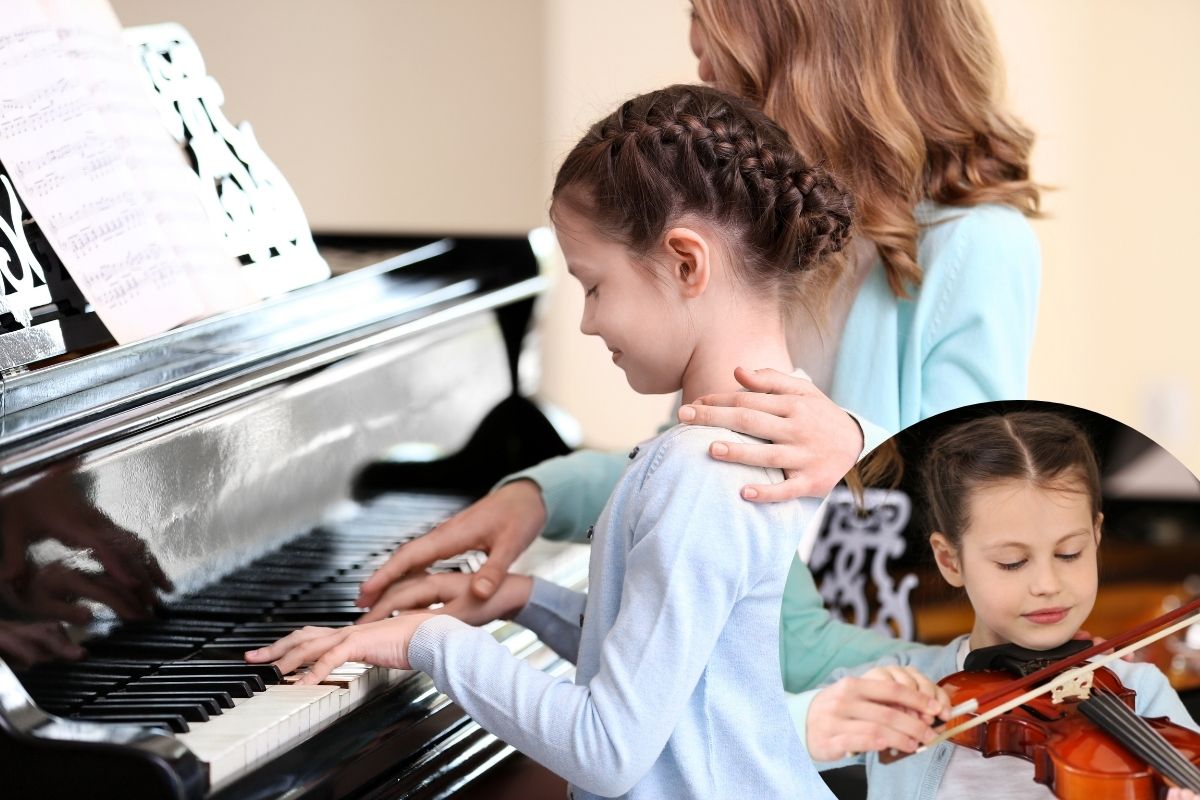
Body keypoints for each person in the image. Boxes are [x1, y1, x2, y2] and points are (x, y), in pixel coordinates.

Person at [356, 1, 1042, 753]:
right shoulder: (766, 254)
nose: (704, 79)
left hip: (863, 701)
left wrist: (853, 443)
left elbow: (983, 515)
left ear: (810, 59)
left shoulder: (977, 246)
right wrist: (539, 495)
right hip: (737, 689)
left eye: (721, 64)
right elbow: (700, 467)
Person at [247, 84, 950, 799]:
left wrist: (428, 642)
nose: (586, 322)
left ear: (686, 264)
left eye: (592, 285)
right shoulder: (760, 446)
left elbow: (609, 750)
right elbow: (681, 668)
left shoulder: (702, 470)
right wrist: (523, 598)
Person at [794, 410, 1200, 800]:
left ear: (1095, 536)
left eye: (1069, 553)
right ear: (950, 561)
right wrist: (812, 725)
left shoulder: (1140, 690)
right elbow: (758, 747)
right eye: (1012, 562)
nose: (1047, 585)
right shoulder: (896, 687)